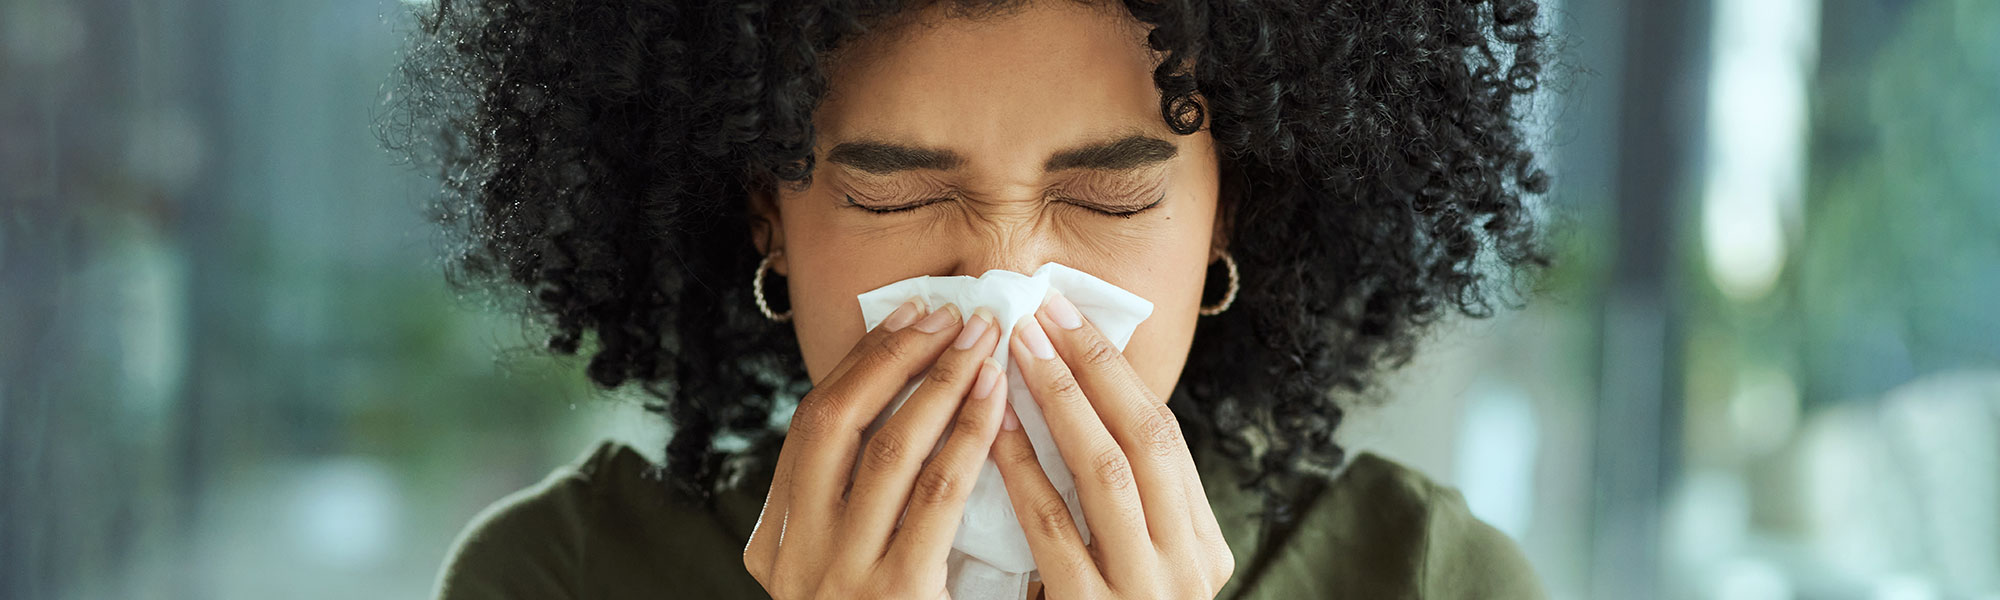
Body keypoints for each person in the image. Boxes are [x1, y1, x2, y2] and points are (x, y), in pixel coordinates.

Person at [385, 0, 1553, 597]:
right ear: (765, 218)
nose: (1003, 283)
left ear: (1226, 217)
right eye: (891, 199)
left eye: (1107, 194)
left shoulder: (1422, 581)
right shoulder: (562, 577)